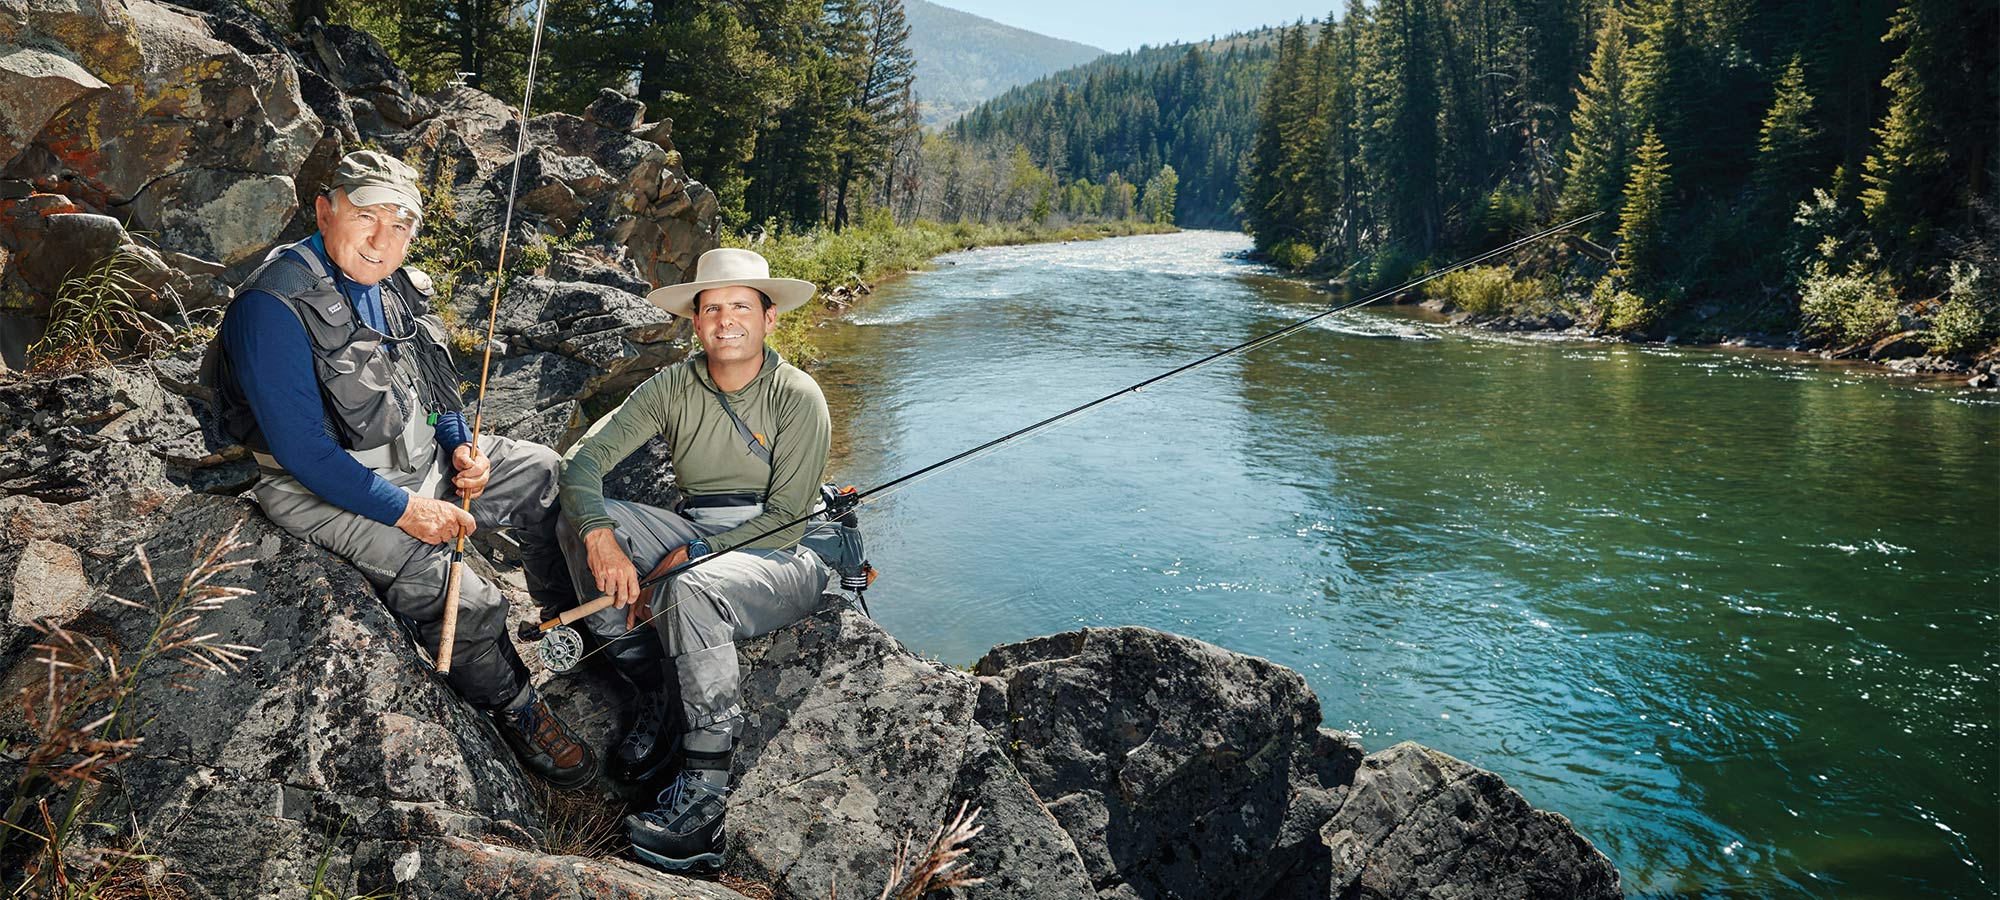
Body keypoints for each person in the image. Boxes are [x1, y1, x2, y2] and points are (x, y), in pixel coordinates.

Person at [206, 150, 595, 787]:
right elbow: (305, 454)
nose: (382, 240)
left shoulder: (398, 287)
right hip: (327, 491)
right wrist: (408, 511)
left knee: (547, 474)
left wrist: (462, 446)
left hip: (421, 459)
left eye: (401, 223)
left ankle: (563, 621)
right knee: (466, 599)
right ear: (325, 211)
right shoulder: (271, 306)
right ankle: (517, 707)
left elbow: (438, 391)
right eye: (366, 216)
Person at [556, 247, 832, 871]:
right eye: (711, 308)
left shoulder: (798, 394)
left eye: (741, 307)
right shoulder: (672, 385)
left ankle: (705, 804)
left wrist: (696, 553)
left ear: (769, 318)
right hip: (694, 525)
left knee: (689, 587)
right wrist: (599, 533)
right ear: (696, 320)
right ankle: (657, 689)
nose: (725, 320)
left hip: (785, 552)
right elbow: (582, 462)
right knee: (573, 518)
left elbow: (789, 518)